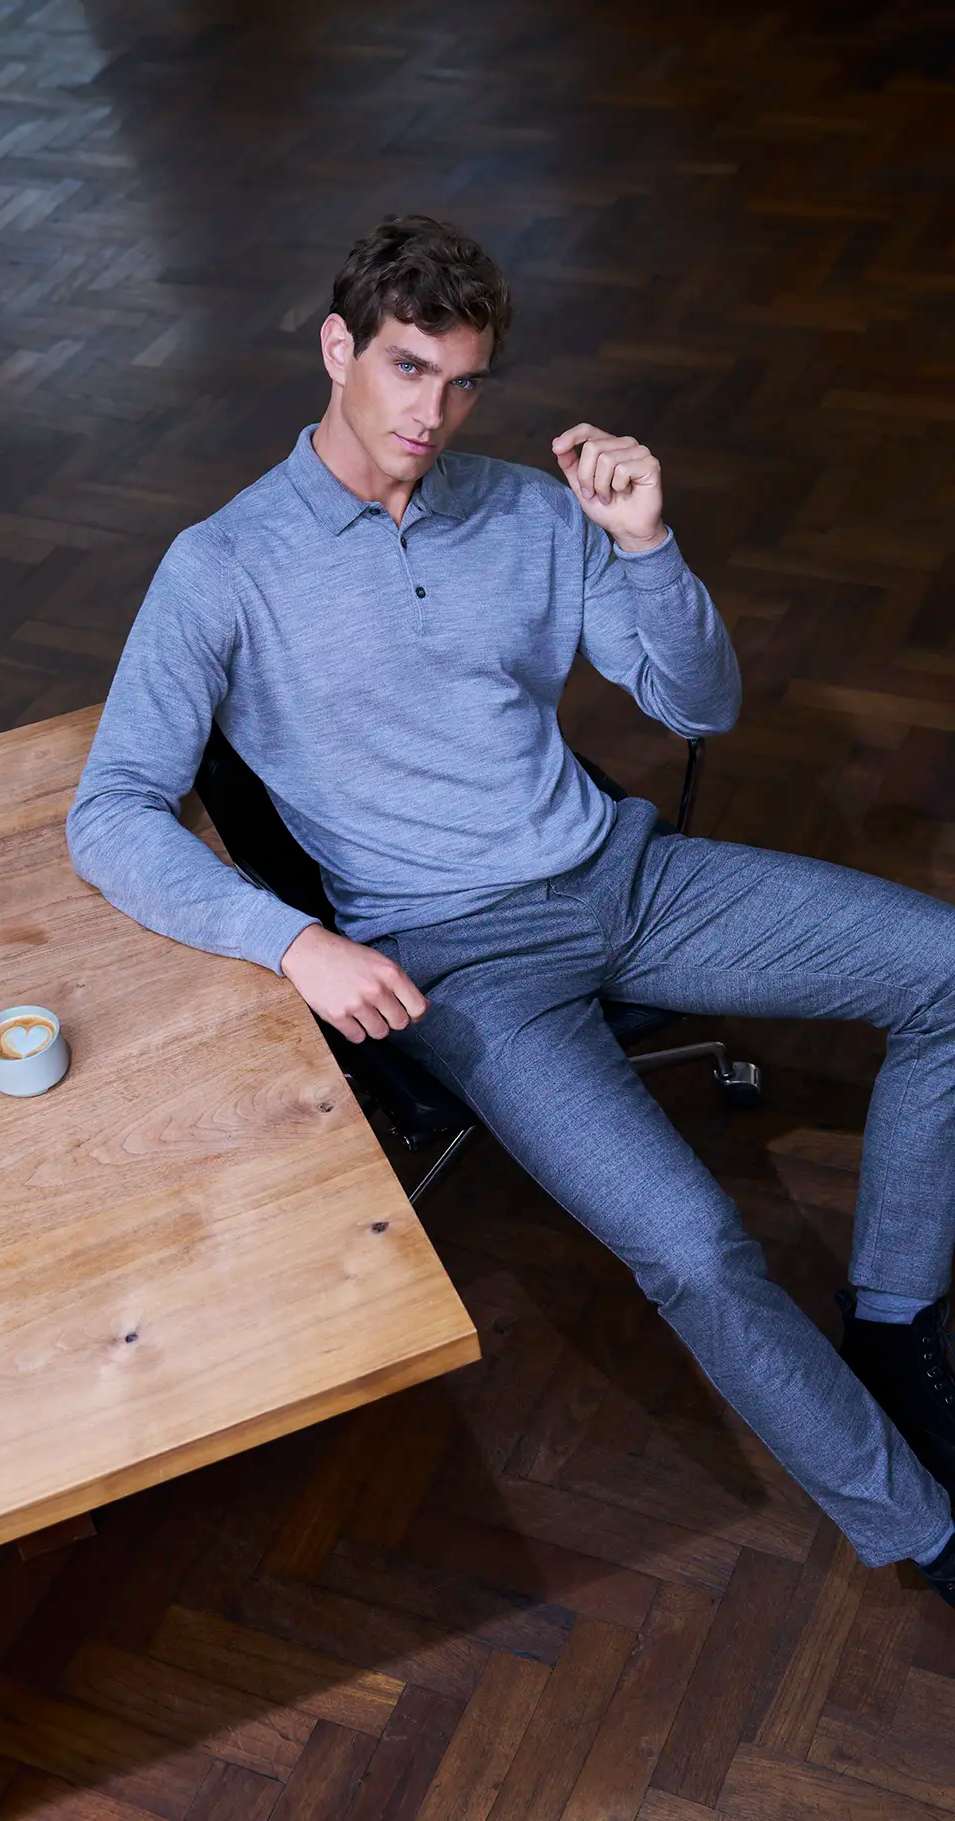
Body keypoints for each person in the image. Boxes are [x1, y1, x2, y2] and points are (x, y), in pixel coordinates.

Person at [68, 213, 955, 1602]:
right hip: (463, 963)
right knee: (697, 1248)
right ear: (338, 347)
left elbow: (701, 705)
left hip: (626, 875)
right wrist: (293, 942)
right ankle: (927, 1529)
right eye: (408, 368)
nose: (434, 413)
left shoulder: (532, 513)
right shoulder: (223, 568)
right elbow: (111, 809)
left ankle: (894, 1318)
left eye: (465, 381)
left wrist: (647, 548)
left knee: (947, 969)